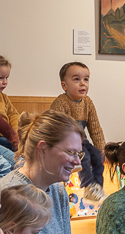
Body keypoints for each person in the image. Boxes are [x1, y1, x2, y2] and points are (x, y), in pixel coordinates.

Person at [50, 62, 107, 201]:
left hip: (83, 141)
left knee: (97, 156)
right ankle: (88, 185)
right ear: (64, 85)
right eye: (76, 79)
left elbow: (95, 129)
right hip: (65, 142)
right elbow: (56, 128)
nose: (82, 84)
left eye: (86, 79)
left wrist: (102, 148)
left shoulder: (88, 102)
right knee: (85, 157)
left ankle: (96, 188)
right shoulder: (61, 102)